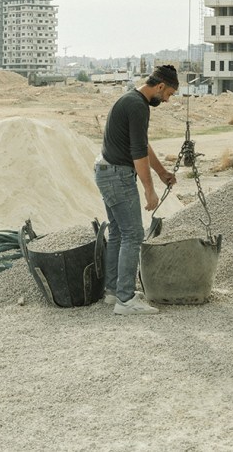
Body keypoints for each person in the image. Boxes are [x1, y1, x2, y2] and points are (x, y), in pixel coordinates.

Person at [94, 64, 179, 316]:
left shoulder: (131, 100)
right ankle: (126, 300)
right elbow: (138, 153)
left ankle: (114, 292)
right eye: (169, 94)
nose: (167, 100)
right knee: (133, 235)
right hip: (117, 176)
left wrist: (162, 172)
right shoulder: (137, 106)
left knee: (119, 233)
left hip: (106, 171)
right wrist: (149, 190)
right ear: (160, 86)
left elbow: (142, 143)